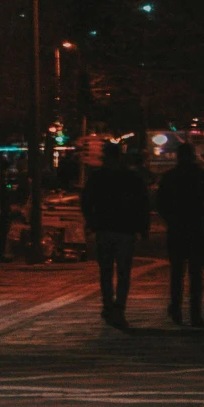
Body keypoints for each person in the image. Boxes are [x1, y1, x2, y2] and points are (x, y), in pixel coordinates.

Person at [80, 141, 150, 328]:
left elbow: (86, 201)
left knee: (106, 270)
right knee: (123, 271)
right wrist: (143, 228)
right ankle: (119, 306)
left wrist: (91, 221)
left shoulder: (97, 177)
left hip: (104, 228)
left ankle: (108, 304)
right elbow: (143, 203)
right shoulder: (131, 178)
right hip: (126, 229)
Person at [157, 140, 204, 326]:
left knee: (177, 272)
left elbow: (160, 203)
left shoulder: (169, 177)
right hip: (196, 225)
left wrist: (169, 219)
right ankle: (195, 313)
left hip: (176, 227)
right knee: (196, 273)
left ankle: (176, 309)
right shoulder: (201, 175)